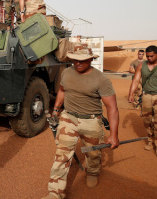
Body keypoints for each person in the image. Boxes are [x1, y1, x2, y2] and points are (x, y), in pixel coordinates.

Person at [43, 44, 119, 199]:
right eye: (75, 60)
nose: (78, 63)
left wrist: (114, 134)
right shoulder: (67, 73)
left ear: (91, 59)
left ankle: (92, 172)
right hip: (68, 118)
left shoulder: (101, 79)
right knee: (61, 155)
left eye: (83, 60)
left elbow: (112, 108)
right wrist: (56, 109)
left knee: (93, 153)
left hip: (91, 121)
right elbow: (63, 91)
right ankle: (55, 193)